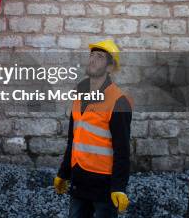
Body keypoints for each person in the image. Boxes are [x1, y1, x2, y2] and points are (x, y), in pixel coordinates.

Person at [53, 39, 133, 218]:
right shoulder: (79, 93)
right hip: (79, 178)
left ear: (110, 67)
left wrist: (119, 187)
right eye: (91, 55)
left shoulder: (118, 101)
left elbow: (122, 150)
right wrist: (63, 172)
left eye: (100, 57)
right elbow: (73, 138)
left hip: (104, 184)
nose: (93, 60)